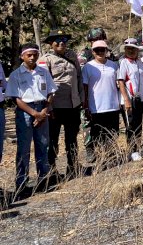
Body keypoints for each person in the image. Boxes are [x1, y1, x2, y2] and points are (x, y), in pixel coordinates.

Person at [6, 43, 57, 198]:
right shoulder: (16, 74)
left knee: (43, 145)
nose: (32, 57)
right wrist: (35, 114)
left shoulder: (43, 72)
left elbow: (51, 92)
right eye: (29, 55)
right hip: (25, 112)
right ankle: (22, 184)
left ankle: (43, 180)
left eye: (35, 54)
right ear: (22, 56)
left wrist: (44, 111)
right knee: (24, 148)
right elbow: (17, 98)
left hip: (42, 109)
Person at [40, 28, 82, 178]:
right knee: (53, 139)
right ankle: (52, 170)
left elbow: (79, 77)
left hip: (73, 105)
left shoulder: (72, 56)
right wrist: (48, 106)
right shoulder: (46, 59)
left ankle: (73, 166)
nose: (61, 43)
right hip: (55, 107)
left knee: (72, 138)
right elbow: (43, 84)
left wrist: (81, 99)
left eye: (64, 40)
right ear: (51, 43)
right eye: (57, 40)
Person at [82, 41, 129, 168]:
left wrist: (123, 101)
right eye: (97, 50)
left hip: (113, 105)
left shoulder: (114, 65)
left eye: (102, 49)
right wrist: (86, 106)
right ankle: (102, 158)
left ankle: (111, 157)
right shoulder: (88, 67)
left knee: (113, 133)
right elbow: (85, 88)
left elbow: (119, 84)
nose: (100, 52)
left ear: (106, 50)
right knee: (98, 134)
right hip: (96, 107)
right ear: (93, 52)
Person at [117, 38, 143, 162]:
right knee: (130, 125)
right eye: (128, 49)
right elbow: (121, 81)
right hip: (129, 98)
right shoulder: (124, 62)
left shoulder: (139, 62)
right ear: (125, 50)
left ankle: (137, 148)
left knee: (138, 124)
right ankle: (132, 150)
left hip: (140, 98)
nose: (131, 51)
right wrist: (126, 100)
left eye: (133, 49)